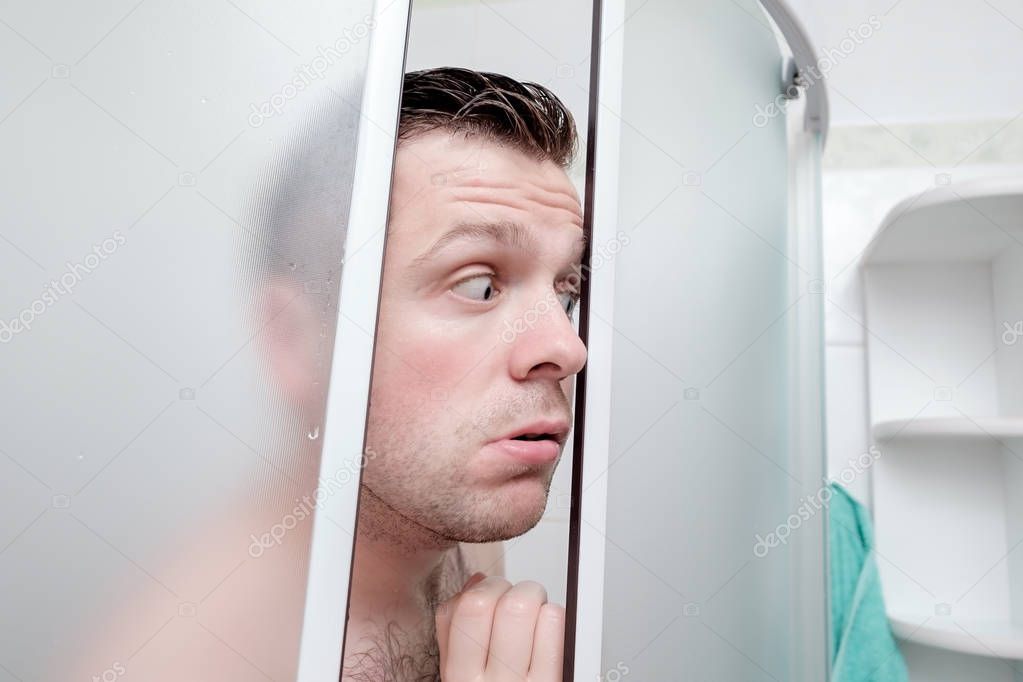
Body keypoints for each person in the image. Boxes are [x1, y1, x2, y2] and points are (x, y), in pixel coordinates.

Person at [339, 67, 589, 681]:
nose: (568, 347)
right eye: (480, 285)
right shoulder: (197, 650)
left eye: (566, 293)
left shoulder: (462, 538)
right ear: (305, 335)